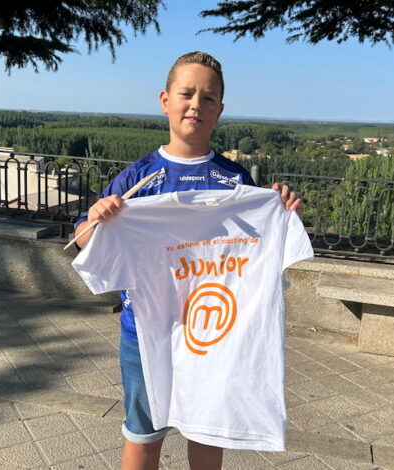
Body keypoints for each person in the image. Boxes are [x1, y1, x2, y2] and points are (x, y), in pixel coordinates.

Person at [73, 51, 302, 470]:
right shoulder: (136, 178)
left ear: (219, 110)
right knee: (142, 436)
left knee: (207, 434)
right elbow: (85, 243)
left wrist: (281, 214)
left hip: (214, 338)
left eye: (208, 97)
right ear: (165, 100)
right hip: (145, 333)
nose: (196, 104)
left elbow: (258, 253)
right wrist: (95, 218)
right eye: (186, 93)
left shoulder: (235, 181)